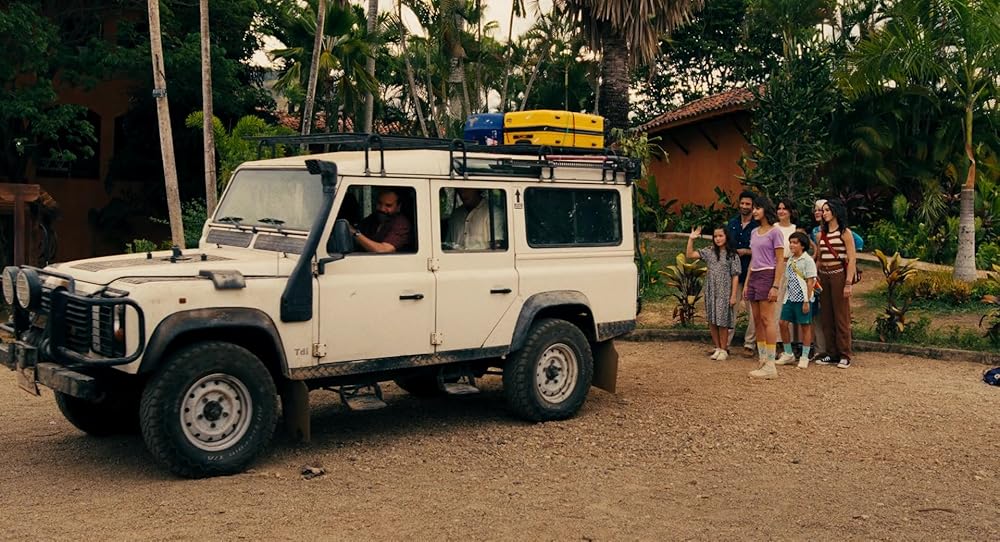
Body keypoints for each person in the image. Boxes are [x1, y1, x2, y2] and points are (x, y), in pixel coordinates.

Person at [744, 196, 785, 379]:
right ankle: (762, 360)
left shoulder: (775, 232)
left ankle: (770, 364)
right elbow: (754, 259)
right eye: (753, 208)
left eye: (757, 208)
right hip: (754, 275)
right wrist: (747, 283)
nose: (754, 211)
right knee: (757, 320)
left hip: (768, 275)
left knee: (768, 320)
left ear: (765, 209)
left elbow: (779, 260)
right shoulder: (754, 232)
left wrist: (775, 285)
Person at [686, 225, 741, 361]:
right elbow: (690, 255)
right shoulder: (709, 252)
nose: (718, 239)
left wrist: (733, 295)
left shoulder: (732, 255)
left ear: (726, 237)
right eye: (715, 236)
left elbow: (735, 276)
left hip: (724, 291)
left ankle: (724, 349)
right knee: (712, 319)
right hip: (711, 290)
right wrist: (691, 239)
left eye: (720, 236)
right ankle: (717, 347)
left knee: (722, 321)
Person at [813, 200, 856, 368]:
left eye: (827, 210)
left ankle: (845, 353)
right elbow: (820, 257)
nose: (824, 213)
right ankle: (831, 353)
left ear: (835, 212)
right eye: (822, 210)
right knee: (827, 315)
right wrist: (815, 276)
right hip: (824, 275)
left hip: (839, 274)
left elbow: (852, 259)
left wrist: (848, 283)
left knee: (841, 315)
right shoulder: (820, 234)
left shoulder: (845, 233)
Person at [776, 232, 817, 369]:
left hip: (803, 298)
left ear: (803, 245)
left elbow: (810, 281)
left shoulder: (808, 260)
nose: (792, 245)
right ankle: (788, 353)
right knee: (782, 323)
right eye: (791, 242)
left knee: (805, 326)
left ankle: (804, 356)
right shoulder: (790, 260)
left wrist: (806, 301)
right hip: (790, 297)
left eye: (795, 242)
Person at [726, 190, 759, 354]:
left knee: (752, 311)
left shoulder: (758, 227)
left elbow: (762, 250)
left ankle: (749, 344)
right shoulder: (731, 224)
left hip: (751, 272)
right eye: (742, 203)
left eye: (748, 204)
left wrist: (746, 251)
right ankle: (725, 343)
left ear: (753, 207)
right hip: (733, 273)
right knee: (731, 306)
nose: (744, 206)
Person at [350, 188, 412, 253]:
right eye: (379, 203)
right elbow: (358, 229)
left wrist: (355, 233)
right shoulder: (373, 218)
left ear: (398, 207)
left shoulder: (401, 224)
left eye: (388, 205)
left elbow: (383, 250)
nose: (382, 209)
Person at [774, 199, 798, 350]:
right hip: (776, 266)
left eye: (785, 208)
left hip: (792, 267)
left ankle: (792, 342)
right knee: (776, 306)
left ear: (790, 211)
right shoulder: (773, 228)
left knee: (791, 303)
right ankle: (777, 341)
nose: (781, 211)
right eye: (779, 208)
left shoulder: (796, 229)